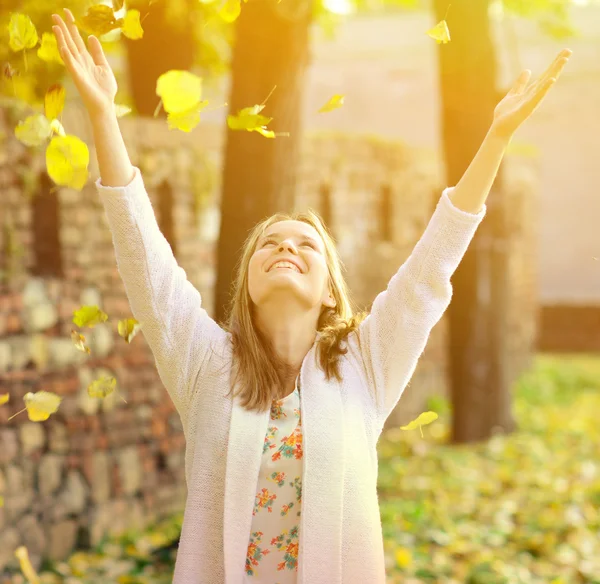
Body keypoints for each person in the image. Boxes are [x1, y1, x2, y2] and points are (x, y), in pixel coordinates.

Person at [51, 9, 570, 583]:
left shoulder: (365, 365)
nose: (286, 249)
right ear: (247, 284)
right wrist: (103, 116)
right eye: (268, 244)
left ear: (329, 292)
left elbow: (430, 270)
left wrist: (495, 137)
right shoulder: (204, 364)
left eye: (306, 245)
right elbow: (145, 262)